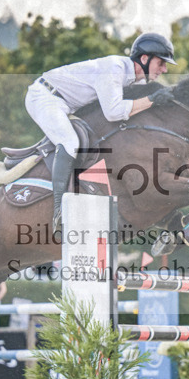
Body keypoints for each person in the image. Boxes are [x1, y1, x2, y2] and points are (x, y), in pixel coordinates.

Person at [24, 32, 177, 231]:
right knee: (70, 143)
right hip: (45, 96)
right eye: (161, 63)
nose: (164, 69)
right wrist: (152, 100)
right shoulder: (114, 68)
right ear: (145, 59)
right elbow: (114, 113)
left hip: (67, 104)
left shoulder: (136, 81)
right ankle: (59, 210)